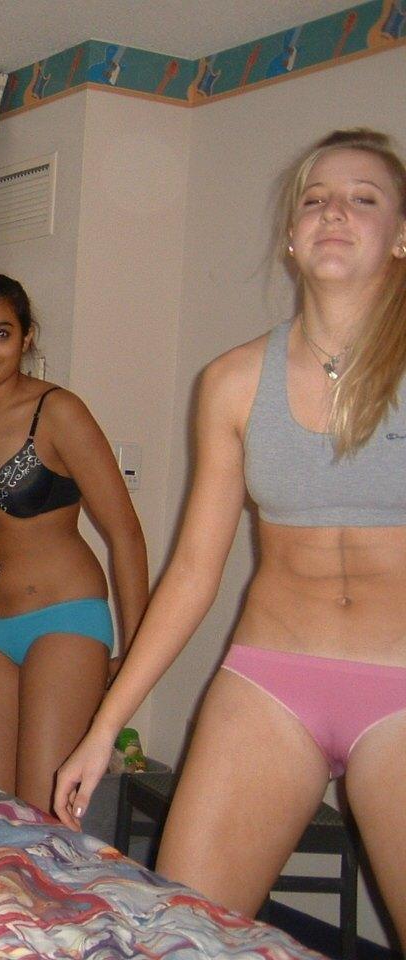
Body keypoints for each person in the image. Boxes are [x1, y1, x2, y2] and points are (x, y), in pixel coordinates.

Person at [54, 129, 406, 938]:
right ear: (291, 236)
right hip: (269, 686)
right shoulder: (233, 381)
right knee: (183, 936)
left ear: (400, 236)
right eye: (315, 199)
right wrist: (104, 727)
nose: (334, 212)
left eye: (363, 199)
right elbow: (191, 573)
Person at [0, 271, 148, 812]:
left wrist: (138, 651)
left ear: (26, 338)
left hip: (65, 619)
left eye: (1, 333)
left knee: (44, 811)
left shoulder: (59, 412)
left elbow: (124, 532)